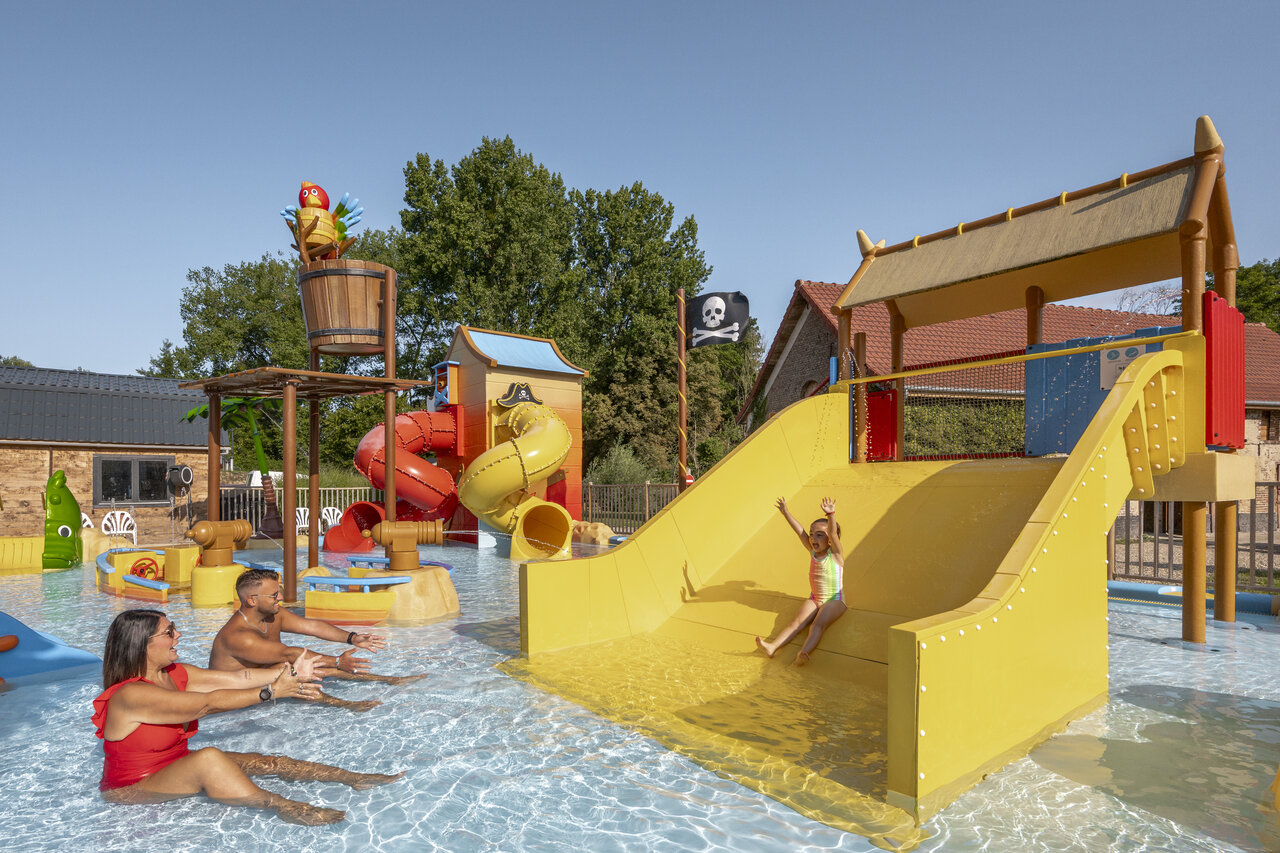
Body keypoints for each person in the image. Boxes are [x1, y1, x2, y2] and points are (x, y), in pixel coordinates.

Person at [93, 609, 402, 825]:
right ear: (142, 644)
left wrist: (297, 672)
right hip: (133, 789)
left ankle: (354, 779)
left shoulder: (176, 672)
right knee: (210, 759)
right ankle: (285, 806)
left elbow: (240, 678)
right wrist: (271, 693)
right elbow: (206, 705)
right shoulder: (130, 695)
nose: (179, 633)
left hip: (173, 765)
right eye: (169, 631)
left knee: (267, 762)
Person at [208, 568, 423, 712]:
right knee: (298, 669)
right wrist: (337, 661)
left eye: (279, 592)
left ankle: (387, 680)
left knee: (300, 668)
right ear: (252, 600)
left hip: (265, 677)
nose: (281, 598)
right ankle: (348, 705)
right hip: (233, 698)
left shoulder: (273, 615)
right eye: (274, 595)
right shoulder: (238, 636)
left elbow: (312, 626)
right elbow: (289, 653)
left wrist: (352, 638)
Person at [755, 496, 847, 666]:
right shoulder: (812, 551)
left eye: (819, 535)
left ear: (829, 540)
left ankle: (803, 654)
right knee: (796, 623)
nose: (812, 538)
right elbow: (799, 531)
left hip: (834, 600)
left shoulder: (835, 555)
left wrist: (831, 514)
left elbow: (833, 533)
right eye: (812, 534)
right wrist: (785, 512)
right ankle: (772, 647)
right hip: (815, 598)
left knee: (817, 625)